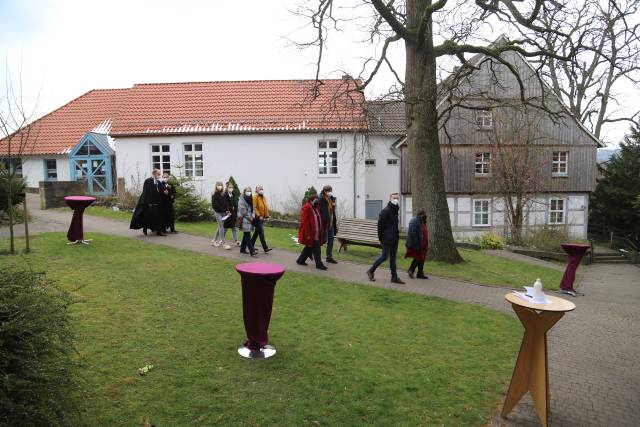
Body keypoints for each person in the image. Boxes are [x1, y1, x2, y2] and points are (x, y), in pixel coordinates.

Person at [366, 193, 405, 284]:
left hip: (395, 238)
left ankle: (394, 277)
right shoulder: (385, 211)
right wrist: (381, 238)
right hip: (386, 239)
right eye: (394, 198)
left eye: (397, 198)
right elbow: (380, 227)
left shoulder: (395, 210)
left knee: (393, 259)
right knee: (384, 256)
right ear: (390, 199)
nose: (396, 199)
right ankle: (371, 270)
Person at [130, 169, 168, 236]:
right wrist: (148, 203)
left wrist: (165, 191)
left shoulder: (158, 182)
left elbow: (162, 190)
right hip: (149, 203)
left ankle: (159, 232)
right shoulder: (148, 181)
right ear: (154, 174)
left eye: (160, 174)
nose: (159, 175)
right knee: (147, 217)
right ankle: (145, 229)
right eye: (158, 174)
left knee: (158, 217)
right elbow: (146, 192)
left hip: (157, 203)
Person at [296, 194, 328, 270]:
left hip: (316, 232)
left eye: (317, 200)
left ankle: (300, 260)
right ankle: (319, 264)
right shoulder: (306, 208)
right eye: (315, 200)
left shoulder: (316, 208)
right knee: (317, 249)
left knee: (309, 247)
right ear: (311, 201)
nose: (317, 202)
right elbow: (305, 222)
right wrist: (308, 234)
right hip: (311, 233)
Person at [405, 209, 429, 279]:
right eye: (424, 214)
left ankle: (420, 273)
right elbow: (413, 234)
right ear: (421, 215)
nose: (425, 216)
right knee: (418, 257)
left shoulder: (422, 221)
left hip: (423, 243)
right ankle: (411, 269)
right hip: (417, 244)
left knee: (422, 258)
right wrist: (417, 245)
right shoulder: (414, 221)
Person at [318, 185, 338, 264]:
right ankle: (312, 253)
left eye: (330, 191)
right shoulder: (321, 199)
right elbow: (323, 211)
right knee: (321, 240)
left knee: (331, 240)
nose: (330, 193)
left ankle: (329, 257)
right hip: (324, 223)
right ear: (325, 191)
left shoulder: (330, 198)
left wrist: (333, 205)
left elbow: (331, 210)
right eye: (329, 191)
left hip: (331, 222)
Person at [251, 185, 272, 253]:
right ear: (256, 190)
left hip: (262, 218)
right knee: (261, 232)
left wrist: (267, 216)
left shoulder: (263, 197)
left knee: (257, 233)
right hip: (257, 218)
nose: (261, 190)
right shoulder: (255, 197)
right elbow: (254, 207)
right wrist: (259, 215)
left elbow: (265, 208)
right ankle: (265, 248)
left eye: (262, 189)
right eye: (260, 189)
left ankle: (250, 245)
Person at [211, 181, 232, 249]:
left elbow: (225, 203)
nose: (220, 186)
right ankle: (224, 243)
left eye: (221, 185)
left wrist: (227, 210)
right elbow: (215, 205)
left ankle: (213, 241)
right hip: (218, 213)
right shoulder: (214, 194)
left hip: (224, 213)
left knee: (220, 227)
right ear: (216, 186)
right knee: (221, 227)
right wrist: (223, 210)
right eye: (218, 185)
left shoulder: (222, 194)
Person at [238, 186, 257, 256]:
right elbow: (242, 210)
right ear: (244, 191)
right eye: (247, 191)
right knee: (247, 234)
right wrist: (249, 217)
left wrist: (253, 215)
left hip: (250, 219)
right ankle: (252, 251)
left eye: (250, 191)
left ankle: (242, 249)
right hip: (244, 219)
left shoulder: (251, 199)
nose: (249, 192)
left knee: (246, 234)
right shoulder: (241, 199)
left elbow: (253, 208)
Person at [223, 181, 240, 246]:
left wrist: (235, 208)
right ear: (227, 188)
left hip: (234, 214)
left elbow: (236, 202)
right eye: (230, 187)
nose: (231, 188)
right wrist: (230, 208)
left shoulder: (234, 194)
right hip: (227, 214)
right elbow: (224, 204)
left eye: (232, 187)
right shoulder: (225, 195)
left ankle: (236, 240)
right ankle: (222, 239)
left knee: (234, 228)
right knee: (225, 228)